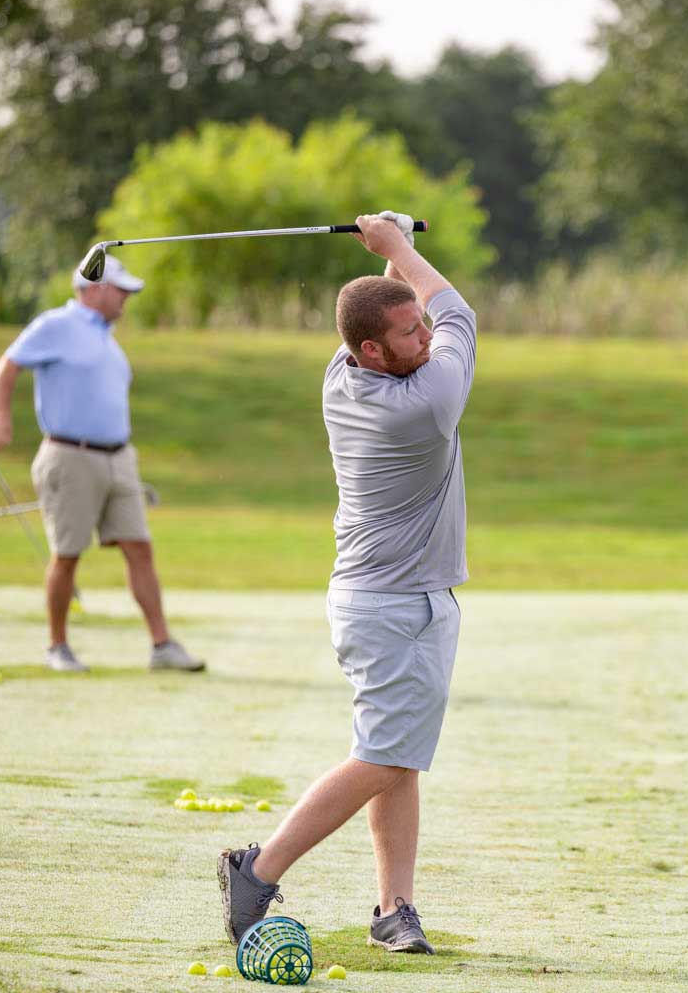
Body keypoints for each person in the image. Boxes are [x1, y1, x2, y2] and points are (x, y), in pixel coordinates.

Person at [217, 211, 475, 956]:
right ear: (373, 351)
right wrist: (399, 249)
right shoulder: (425, 406)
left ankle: (395, 908)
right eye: (411, 334)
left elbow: (387, 309)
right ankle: (256, 871)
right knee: (386, 757)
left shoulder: (343, 374)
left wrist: (393, 255)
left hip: (390, 598)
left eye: (421, 329)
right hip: (395, 606)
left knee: (399, 755)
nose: (426, 337)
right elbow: (459, 311)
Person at [0, 255, 202, 674]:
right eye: (121, 290)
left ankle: (162, 646)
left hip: (119, 457)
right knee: (67, 555)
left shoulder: (107, 339)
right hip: (70, 456)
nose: (126, 299)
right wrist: (0, 416)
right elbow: (7, 365)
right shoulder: (56, 325)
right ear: (96, 287)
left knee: (140, 549)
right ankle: (57, 647)